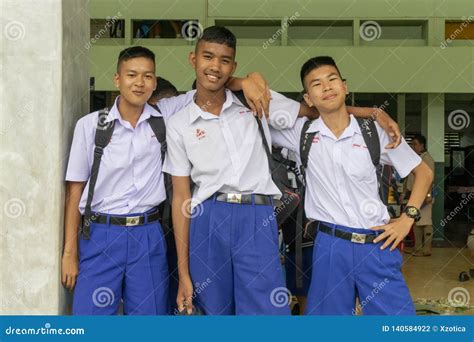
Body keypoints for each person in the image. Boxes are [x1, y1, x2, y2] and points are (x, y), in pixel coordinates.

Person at [163, 27, 403, 315]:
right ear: (193, 59)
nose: (215, 66)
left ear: (233, 66)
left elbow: (318, 110)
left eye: (225, 60)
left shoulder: (258, 100)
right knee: (213, 309)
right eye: (208, 57)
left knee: (267, 311)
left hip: (258, 214)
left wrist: (371, 112)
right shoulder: (178, 120)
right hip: (206, 216)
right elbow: (180, 198)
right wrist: (183, 272)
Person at [61, 45, 274, 315]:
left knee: (150, 320)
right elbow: (74, 191)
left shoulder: (166, 115)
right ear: (117, 79)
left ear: (154, 81)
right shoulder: (90, 126)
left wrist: (246, 80)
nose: (139, 83)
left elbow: (210, 83)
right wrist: (69, 253)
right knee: (90, 319)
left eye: (147, 76)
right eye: (131, 75)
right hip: (101, 233)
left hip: (148, 235)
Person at [270, 56, 433, 315]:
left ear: (345, 86)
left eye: (332, 79)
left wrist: (407, 219)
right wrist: (372, 110)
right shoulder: (300, 132)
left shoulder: (374, 133)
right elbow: (249, 101)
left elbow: (423, 173)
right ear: (308, 99)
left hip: (377, 243)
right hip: (330, 246)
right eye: (316, 84)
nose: (327, 87)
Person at [403, 134, 435, 256]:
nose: (413, 146)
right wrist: (405, 193)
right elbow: (409, 177)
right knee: (416, 221)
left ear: (422, 145)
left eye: (415, 144)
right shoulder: (415, 159)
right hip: (415, 194)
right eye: (412, 144)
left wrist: (428, 195)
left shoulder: (427, 159)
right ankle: (417, 248)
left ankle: (426, 250)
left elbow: (430, 179)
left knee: (426, 222)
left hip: (425, 195)